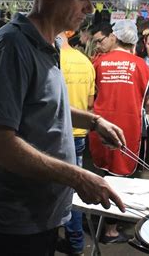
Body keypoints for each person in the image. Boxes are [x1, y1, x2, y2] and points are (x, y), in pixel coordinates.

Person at [0, 0, 126, 256]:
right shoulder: (11, 46)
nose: (89, 9)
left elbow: (44, 107)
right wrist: (77, 176)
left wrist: (93, 121)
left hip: (39, 216)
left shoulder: (48, 46)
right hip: (11, 224)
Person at [89, 20, 149, 244]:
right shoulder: (142, 66)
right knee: (123, 179)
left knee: (103, 174)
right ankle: (112, 229)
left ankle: (103, 220)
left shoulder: (97, 63)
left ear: (114, 37)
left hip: (99, 127)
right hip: (129, 130)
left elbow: (91, 96)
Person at [56, 30, 95, 255]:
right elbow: (90, 103)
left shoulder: (50, 58)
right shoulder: (85, 62)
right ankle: (76, 242)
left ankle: (51, 236)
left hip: (54, 133)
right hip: (79, 133)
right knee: (75, 186)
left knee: (52, 186)